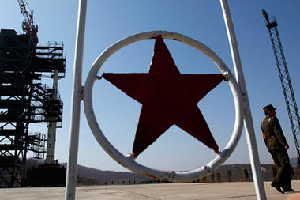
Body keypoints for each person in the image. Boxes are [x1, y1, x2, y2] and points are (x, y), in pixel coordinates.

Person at [261, 104, 294, 193]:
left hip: (270, 146)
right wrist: (284, 143)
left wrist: (268, 146)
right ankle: (276, 182)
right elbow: (278, 133)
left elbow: (264, 137)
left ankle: (286, 187)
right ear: (269, 112)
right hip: (277, 145)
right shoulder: (274, 120)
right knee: (285, 164)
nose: (275, 112)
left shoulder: (263, 122)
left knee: (280, 166)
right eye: (273, 110)